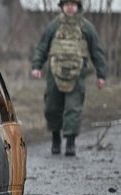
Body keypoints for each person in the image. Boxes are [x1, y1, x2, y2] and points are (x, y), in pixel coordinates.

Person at [31, 0, 107, 156]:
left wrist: (101, 75)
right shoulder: (53, 26)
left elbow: (97, 51)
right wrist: (37, 66)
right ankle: (55, 139)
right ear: (62, 7)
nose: (70, 7)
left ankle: (70, 143)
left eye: (73, 4)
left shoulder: (86, 27)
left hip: (77, 74)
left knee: (73, 109)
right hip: (54, 73)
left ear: (78, 7)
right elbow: (42, 47)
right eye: (67, 4)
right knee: (52, 107)